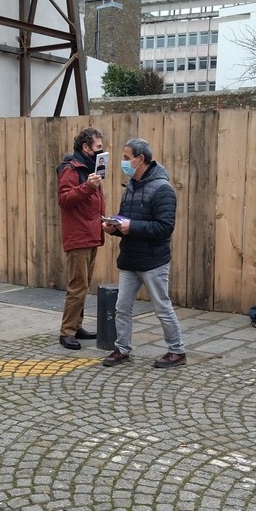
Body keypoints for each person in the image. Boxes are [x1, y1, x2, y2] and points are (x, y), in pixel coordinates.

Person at [101, 138, 187, 368]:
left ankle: (177, 351)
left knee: (162, 307)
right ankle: (122, 349)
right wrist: (114, 228)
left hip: (153, 261)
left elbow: (165, 227)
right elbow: (125, 221)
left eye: (127, 158)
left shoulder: (163, 189)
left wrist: (132, 227)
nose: (123, 162)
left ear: (141, 159)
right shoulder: (130, 186)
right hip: (129, 258)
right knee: (122, 307)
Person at [56, 127, 106, 349]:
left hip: (90, 233)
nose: (100, 152)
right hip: (78, 236)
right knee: (77, 285)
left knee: (84, 284)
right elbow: (64, 199)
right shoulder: (72, 169)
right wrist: (87, 187)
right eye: (98, 147)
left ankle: (76, 326)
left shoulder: (89, 168)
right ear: (85, 147)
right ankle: (66, 331)